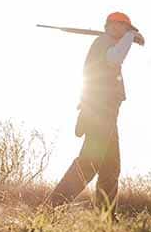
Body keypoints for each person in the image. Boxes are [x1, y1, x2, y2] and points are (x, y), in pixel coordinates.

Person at [50, 11, 144, 207]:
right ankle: (53, 205)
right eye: (125, 28)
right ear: (114, 25)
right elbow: (114, 59)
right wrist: (130, 37)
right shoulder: (104, 42)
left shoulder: (109, 42)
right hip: (100, 111)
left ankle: (106, 217)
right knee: (90, 161)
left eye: (128, 29)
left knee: (111, 167)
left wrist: (129, 37)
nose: (126, 32)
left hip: (107, 112)